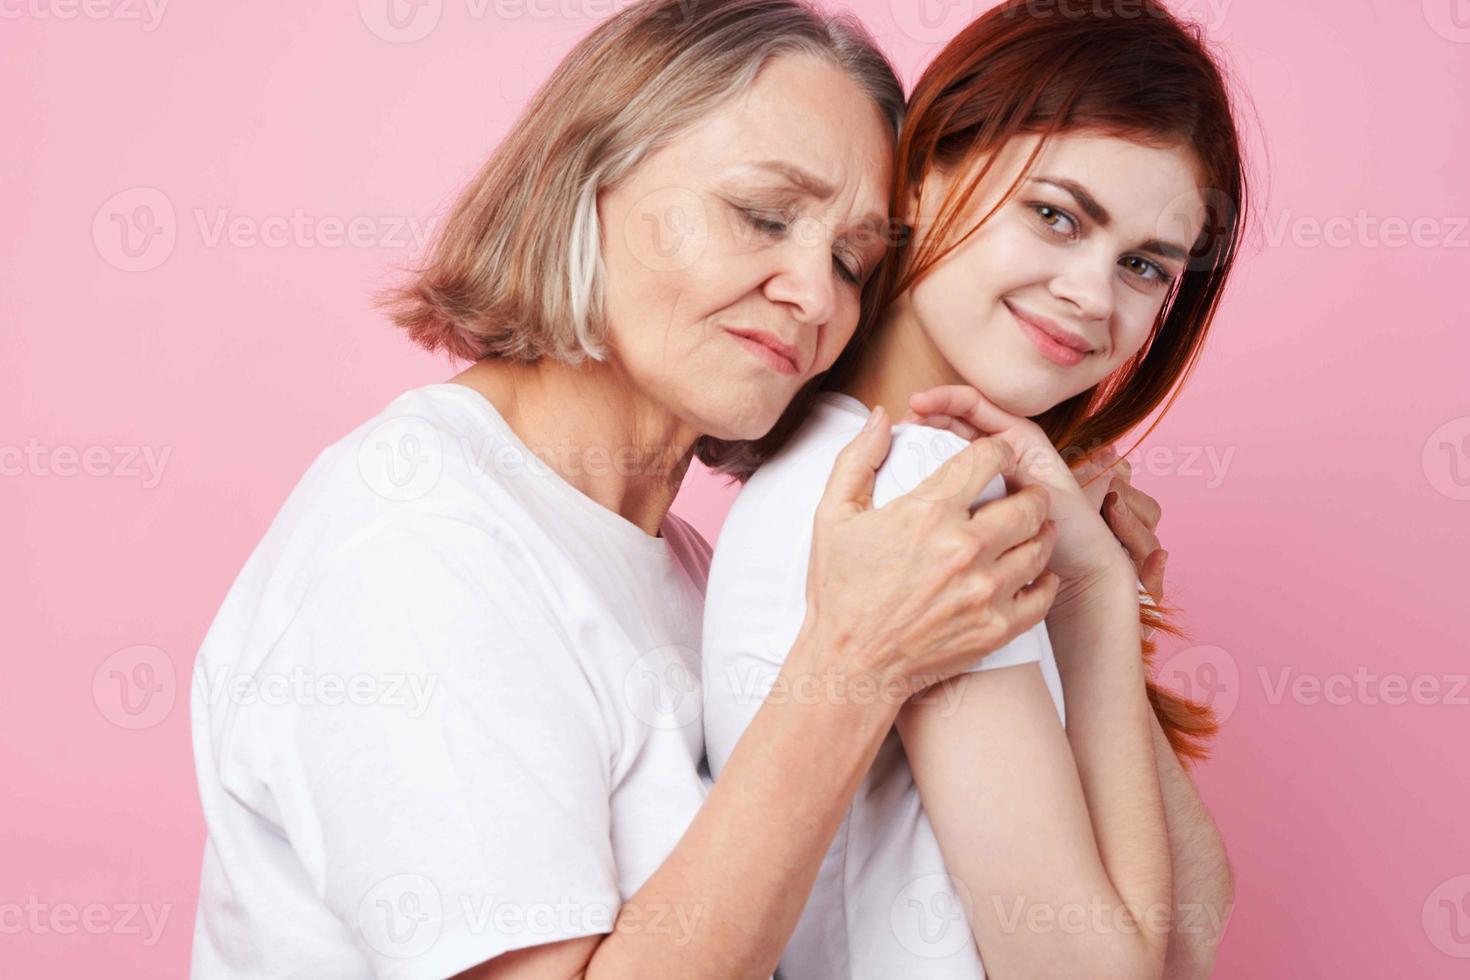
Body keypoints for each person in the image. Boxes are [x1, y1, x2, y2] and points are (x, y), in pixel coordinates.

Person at [188, 1, 1064, 977]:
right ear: (584, 181)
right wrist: (853, 664)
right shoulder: (415, 546)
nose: (817, 297)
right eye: (763, 215)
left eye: (853, 261)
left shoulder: (683, 567)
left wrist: (1095, 592)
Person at [702, 1, 1249, 977]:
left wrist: (1093, 586)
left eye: (1143, 265)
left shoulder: (912, 478)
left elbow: (1194, 916)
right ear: (927, 169)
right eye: (1056, 214)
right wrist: (1089, 598)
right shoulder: (909, 494)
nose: (1091, 292)